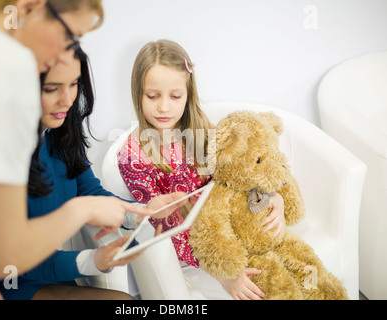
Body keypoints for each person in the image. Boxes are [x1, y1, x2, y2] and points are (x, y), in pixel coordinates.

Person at [0, 0, 149, 300]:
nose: (64, 54)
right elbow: (5, 256)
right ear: (30, 6)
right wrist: (83, 214)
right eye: (68, 37)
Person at [0, 48, 185, 300]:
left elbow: (90, 192)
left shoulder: (59, 135)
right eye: (52, 88)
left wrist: (143, 213)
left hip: (40, 276)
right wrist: (92, 260)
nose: (68, 99)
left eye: (73, 84)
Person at [117, 39, 286, 300]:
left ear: (188, 93)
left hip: (236, 228)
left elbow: (242, 172)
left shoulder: (203, 130)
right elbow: (170, 228)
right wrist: (223, 275)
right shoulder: (133, 157)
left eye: (175, 96)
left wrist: (275, 198)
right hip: (198, 251)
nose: (164, 107)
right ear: (137, 92)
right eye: (152, 96)